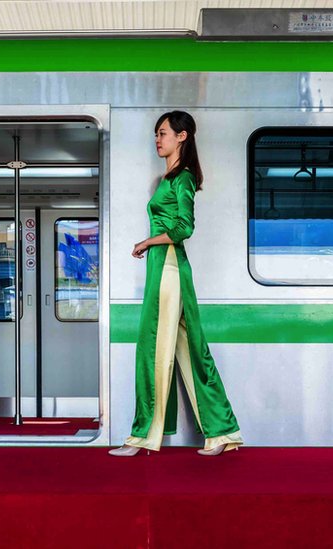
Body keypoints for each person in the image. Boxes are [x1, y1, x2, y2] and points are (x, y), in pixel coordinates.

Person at [109, 111, 243, 457]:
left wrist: (146, 242)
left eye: (164, 133)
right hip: (166, 268)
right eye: (156, 134)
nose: (158, 139)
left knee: (152, 350)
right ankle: (222, 432)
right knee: (191, 350)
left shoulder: (180, 179)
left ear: (182, 137)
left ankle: (142, 437)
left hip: (168, 268)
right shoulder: (170, 178)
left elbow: (184, 228)